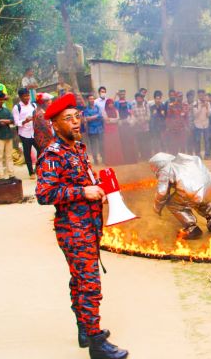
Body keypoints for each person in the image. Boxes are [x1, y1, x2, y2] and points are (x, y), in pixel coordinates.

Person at [35, 93, 128, 359]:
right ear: (55, 124)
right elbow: (44, 193)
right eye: (68, 119)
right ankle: (97, 343)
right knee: (89, 284)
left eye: (77, 117)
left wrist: (99, 183)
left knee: (80, 281)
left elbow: (80, 180)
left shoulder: (78, 148)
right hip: (74, 230)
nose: (76, 123)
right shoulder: (52, 155)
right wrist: (82, 192)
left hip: (89, 225)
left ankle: (85, 331)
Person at [149, 152, 211, 240]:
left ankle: (191, 228)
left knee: (173, 203)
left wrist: (157, 207)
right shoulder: (184, 159)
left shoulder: (165, 169)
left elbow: (162, 192)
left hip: (194, 192)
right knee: (197, 197)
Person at [13, 88, 39, 179]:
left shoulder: (33, 105)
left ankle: (37, 168)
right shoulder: (17, 107)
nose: (27, 98)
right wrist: (25, 121)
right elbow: (16, 122)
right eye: (25, 96)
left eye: (28, 95)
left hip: (34, 131)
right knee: (27, 153)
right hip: (24, 133)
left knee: (40, 150)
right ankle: (31, 172)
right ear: (20, 97)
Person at [84, 94, 105, 164]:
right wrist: (96, 116)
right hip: (91, 130)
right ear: (88, 100)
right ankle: (95, 160)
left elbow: (101, 116)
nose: (92, 100)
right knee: (93, 146)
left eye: (93, 99)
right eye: (90, 99)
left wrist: (92, 117)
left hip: (100, 129)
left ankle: (103, 158)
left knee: (101, 144)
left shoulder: (97, 107)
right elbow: (87, 119)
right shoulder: (86, 109)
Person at [103, 99, 124, 166]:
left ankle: (118, 161)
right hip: (108, 130)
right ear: (107, 104)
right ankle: (110, 161)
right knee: (110, 146)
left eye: (112, 103)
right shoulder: (104, 111)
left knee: (116, 145)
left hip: (115, 130)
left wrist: (110, 119)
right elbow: (106, 120)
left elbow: (118, 119)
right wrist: (113, 120)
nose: (111, 105)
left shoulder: (116, 110)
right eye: (109, 103)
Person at [131, 93, 150, 161]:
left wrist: (144, 121)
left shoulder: (146, 106)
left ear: (142, 99)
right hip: (137, 128)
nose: (139, 99)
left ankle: (147, 155)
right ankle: (141, 156)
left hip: (145, 128)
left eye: (140, 98)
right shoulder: (133, 107)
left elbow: (148, 116)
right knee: (139, 143)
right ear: (136, 99)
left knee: (146, 142)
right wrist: (138, 122)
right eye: (138, 98)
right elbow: (132, 116)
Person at [149, 90, 168, 154]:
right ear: (154, 99)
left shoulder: (163, 106)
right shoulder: (151, 107)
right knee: (155, 142)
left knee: (163, 142)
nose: (158, 100)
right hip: (154, 128)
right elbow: (151, 118)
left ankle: (164, 154)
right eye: (157, 99)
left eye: (159, 99)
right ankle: (156, 154)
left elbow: (165, 116)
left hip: (162, 127)